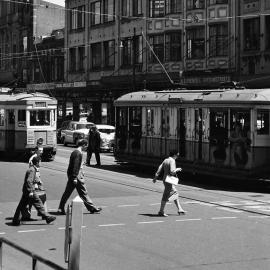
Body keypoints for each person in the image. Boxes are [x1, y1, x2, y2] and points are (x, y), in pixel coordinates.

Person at [57, 139, 102, 215]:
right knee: (82, 192)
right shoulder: (78, 153)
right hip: (76, 176)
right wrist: (74, 177)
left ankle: (61, 208)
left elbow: (75, 165)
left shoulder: (75, 152)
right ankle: (91, 208)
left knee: (70, 192)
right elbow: (75, 166)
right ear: (84, 145)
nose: (86, 147)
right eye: (86, 145)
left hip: (73, 175)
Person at [12, 157, 56, 226]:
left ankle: (15, 220)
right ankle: (47, 217)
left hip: (27, 190)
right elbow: (29, 181)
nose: (41, 163)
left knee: (22, 205)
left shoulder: (32, 169)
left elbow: (31, 179)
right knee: (38, 202)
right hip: (29, 191)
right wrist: (31, 191)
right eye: (40, 162)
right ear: (37, 162)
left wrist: (37, 181)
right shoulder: (32, 170)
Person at [153, 150, 186, 217]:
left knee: (174, 193)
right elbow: (172, 172)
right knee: (167, 195)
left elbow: (160, 167)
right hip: (169, 180)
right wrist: (178, 169)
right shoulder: (172, 161)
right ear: (174, 155)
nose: (177, 157)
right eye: (177, 155)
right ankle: (161, 211)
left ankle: (180, 209)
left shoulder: (166, 160)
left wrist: (156, 177)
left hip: (165, 179)